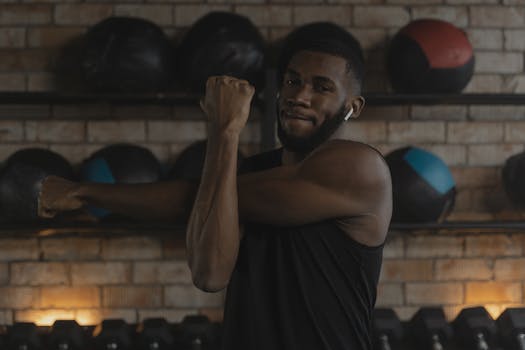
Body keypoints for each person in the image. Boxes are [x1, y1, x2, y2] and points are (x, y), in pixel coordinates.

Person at [38, 23, 392, 350]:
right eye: (292, 81)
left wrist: (84, 191)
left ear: (353, 106)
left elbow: (188, 199)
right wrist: (223, 137)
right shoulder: (249, 172)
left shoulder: (360, 168)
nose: (299, 96)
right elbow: (209, 273)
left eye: (322, 87)